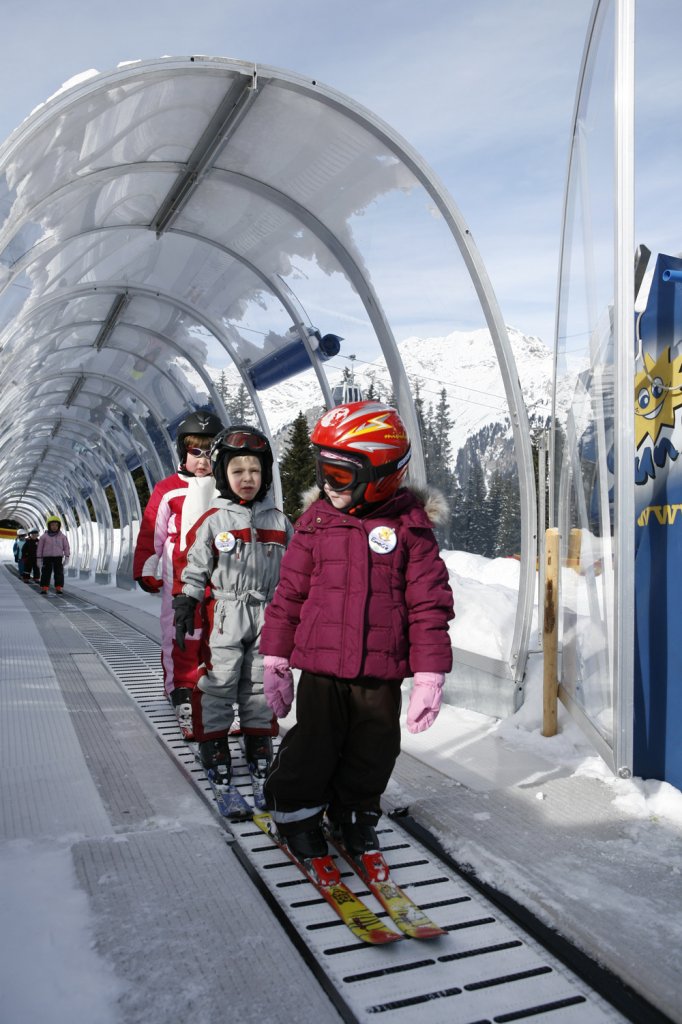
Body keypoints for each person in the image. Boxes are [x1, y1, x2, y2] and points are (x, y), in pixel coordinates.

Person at [259, 400, 454, 861]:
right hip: (321, 668)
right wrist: (276, 657)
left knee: (375, 749)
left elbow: (429, 605)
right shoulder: (316, 523)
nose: (327, 484)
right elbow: (289, 593)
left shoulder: (410, 528)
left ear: (381, 473)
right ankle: (296, 813)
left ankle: (353, 814)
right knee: (314, 745)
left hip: (380, 669)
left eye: (340, 475)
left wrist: (430, 674)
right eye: (323, 471)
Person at [172, 426, 293, 784]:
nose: (247, 478)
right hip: (226, 613)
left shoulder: (279, 523)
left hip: (267, 614)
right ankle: (215, 743)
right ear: (223, 474)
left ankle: (257, 742)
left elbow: (297, 573)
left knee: (260, 681)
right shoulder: (213, 522)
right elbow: (194, 569)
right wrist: (185, 604)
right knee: (220, 680)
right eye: (238, 471)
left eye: (255, 470)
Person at [133, 410, 223, 734]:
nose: (202, 460)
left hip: (219, 577)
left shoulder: (226, 488)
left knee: (217, 631)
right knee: (182, 632)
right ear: (183, 453)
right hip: (180, 577)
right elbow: (151, 531)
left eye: (210, 452)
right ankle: (180, 688)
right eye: (195, 452)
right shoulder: (169, 489)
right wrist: (148, 567)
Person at [37, 515, 70, 594]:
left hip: (58, 557)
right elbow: (40, 548)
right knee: (45, 573)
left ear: (59, 526)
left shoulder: (62, 537)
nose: (54, 527)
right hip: (47, 557)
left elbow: (66, 547)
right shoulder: (44, 537)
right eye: (52, 525)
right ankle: (44, 587)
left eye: (56, 525)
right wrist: (38, 558)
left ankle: (59, 587)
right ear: (49, 526)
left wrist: (67, 556)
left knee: (58, 573)